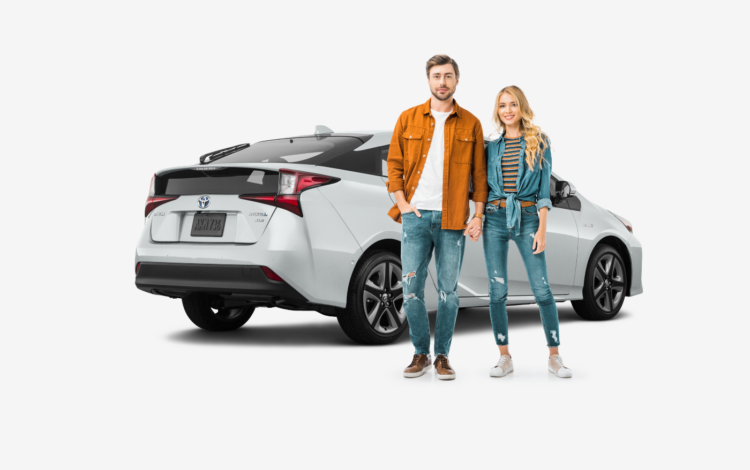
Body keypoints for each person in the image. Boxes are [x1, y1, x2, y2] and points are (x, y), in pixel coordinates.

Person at [386, 54, 488, 380]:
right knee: (411, 289)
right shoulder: (407, 118)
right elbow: (394, 165)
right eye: (436, 76)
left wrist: (478, 216)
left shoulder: (471, 123)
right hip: (415, 217)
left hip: (453, 219)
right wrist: (402, 204)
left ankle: (442, 355)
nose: (441, 82)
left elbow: (479, 175)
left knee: (448, 291)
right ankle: (420, 353)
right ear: (428, 80)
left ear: (457, 80)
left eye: (447, 76)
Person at [476, 85, 573, 378]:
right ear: (498, 111)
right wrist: (477, 217)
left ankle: (554, 357)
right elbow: (482, 187)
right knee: (497, 291)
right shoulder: (491, 148)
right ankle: (504, 356)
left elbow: (544, 191)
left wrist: (542, 228)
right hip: (494, 218)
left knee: (541, 288)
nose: (508, 110)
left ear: (522, 108)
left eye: (513, 105)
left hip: (529, 218)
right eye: (502, 105)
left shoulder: (539, 142)